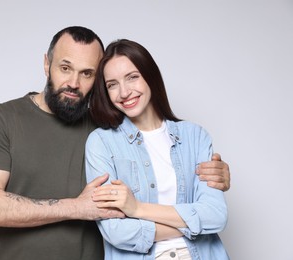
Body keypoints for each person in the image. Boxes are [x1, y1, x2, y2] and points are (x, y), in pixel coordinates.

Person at [0, 26, 231, 260]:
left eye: (87, 73)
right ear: (46, 64)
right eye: (65, 67)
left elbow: (166, 159)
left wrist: (214, 174)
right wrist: (77, 207)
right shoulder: (2, 119)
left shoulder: (107, 127)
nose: (73, 82)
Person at [85, 39, 229, 259]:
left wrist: (137, 209)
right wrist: (193, 223)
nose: (124, 92)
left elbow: (216, 216)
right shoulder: (102, 143)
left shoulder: (195, 136)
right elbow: (116, 232)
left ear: (150, 76)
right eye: (112, 84)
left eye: (132, 77)